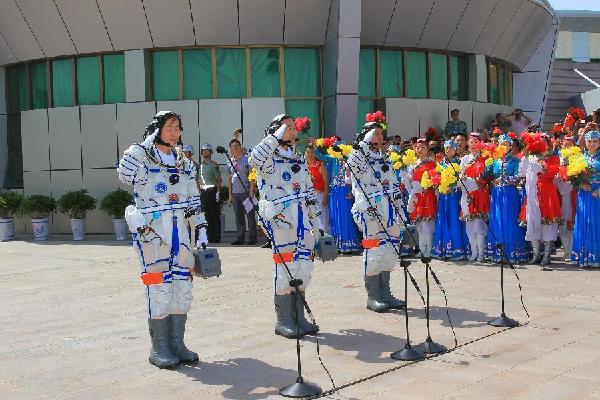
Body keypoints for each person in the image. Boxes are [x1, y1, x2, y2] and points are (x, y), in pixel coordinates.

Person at [117, 111, 207, 369]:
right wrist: (144, 144)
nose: (174, 132)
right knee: (159, 288)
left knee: (182, 288)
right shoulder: (141, 156)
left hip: (181, 231)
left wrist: (201, 232)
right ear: (157, 129)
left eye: (178, 127)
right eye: (169, 127)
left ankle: (177, 344)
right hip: (153, 231)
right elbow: (124, 176)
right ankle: (159, 348)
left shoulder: (184, 162)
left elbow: (193, 199)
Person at [248, 113, 322, 337]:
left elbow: (308, 189)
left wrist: (316, 221)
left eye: (293, 127)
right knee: (285, 267)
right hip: (282, 216)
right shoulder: (268, 157)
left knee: (303, 266)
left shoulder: (297, 157)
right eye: (286, 128)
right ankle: (284, 320)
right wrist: (275, 135)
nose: (292, 131)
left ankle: (299, 317)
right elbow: (254, 159)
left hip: (302, 216)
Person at [348, 121, 405, 313]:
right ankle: (373, 296)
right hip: (370, 211)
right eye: (375, 133)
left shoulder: (384, 158)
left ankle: (385, 293)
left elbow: (394, 185)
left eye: (381, 133)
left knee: (389, 250)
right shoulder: (358, 155)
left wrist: (401, 213)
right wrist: (364, 141)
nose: (379, 136)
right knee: (374, 251)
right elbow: (353, 164)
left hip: (389, 210)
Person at [484, 135, 529, 263]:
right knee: (497, 219)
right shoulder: (494, 161)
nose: (503, 147)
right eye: (500, 144)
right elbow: (485, 176)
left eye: (506, 144)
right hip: (497, 194)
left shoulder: (515, 161)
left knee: (510, 220)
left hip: (510, 194)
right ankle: (497, 252)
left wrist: (503, 179)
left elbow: (518, 177)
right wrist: (485, 163)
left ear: (510, 147)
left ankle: (513, 252)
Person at [519, 133, 562, 267]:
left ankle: (547, 255)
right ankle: (537, 254)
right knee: (532, 222)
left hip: (548, 193)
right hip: (533, 194)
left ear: (549, 145)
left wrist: (541, 164)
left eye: (544, 143)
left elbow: (550, 173)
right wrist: (526, 157)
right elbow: (521, 173)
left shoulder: (554, 158)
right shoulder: (530, 158)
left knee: (548, 225)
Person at [432, 140, 469, 260]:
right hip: (443, 196)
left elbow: (462, 179)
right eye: (446, 148)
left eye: (451, 148)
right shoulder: (441, 164)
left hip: (454, 196)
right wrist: (436, 184)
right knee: (443, 219)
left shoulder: (459, 163)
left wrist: (452, 187)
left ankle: (457, 249)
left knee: (454, 219)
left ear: (456, 149)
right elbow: (436, 178)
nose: (448, 150)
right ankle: (443, 249)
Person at [460, 133, 491, 262]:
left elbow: (488, 176)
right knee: (469, 227)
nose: (473, 145)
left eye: (475, 142)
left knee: (479, 226)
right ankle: (474, 252)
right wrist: (461, 179)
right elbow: (461, 174)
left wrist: (479, 181)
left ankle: (481, 254)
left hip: (480, 193)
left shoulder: (485, 158)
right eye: (471, 142)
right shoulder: (465, 159)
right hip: (467, 193)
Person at [571, 131, 600, 268]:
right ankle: (583, 256)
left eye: (595, 141)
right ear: (586, 143)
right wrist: (580, 184)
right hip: (584, 194)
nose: (592, 144)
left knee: (596, 222)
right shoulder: (580, 158)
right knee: (584, 222)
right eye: (590, 141)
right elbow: (573, 177)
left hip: (597, 194)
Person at [407, 138, 438, 257]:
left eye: (422, 147)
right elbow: (410, 179)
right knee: (419, 224)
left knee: (427, 224)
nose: (419, 150)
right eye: (417, 147)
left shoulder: (431, 163)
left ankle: (428, 250)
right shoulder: (413, 164)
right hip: (417, 196)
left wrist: (428, 185)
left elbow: (435, 179)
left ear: (427, 149)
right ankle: (421, 249)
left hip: (427, 195)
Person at [228, 138, 257, 245]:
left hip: (246, 192)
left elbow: (252, 175)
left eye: (237, 145)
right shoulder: (230, 161)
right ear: (230, 149)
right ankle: (240, 238)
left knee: (250, 216)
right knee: (238, 217)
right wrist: (230, 195)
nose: (235, 148)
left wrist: (251, 190)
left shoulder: (247, 159)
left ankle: (253, 238)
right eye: (233, 146)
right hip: (235, 193)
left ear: (240, 147)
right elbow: (229, 178)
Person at [557, 136, 576, 262]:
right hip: (561, 199)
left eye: (570, 145)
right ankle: (567, 250)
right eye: (565, 145)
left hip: (574, 198)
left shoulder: (578, 165)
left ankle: (572, 251)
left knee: (572, 224)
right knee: (562, 225)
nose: (567, 147)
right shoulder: (560, 167)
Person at [198, 143, 222, 243]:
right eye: (203, 151)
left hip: (212, 191)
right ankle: (209, 236)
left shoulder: (214, 164)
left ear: (211, 152)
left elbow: (218, 179)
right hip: (203, 191)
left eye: (207, 150)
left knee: (214, 214)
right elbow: (198, 179)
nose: (205, 152)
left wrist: (218, 192)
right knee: (206, 215)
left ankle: (216, 236)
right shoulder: (200, 165)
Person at [305, 145, 329, 233]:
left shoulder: (320, 166)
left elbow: (326, 183)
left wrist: (325, 197)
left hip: (319, 195)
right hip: (307, 196)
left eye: (312, 152)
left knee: (321, 218)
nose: (310, 154)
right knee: (309, 219)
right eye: (308, 152)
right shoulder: (303, 166)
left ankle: (323, 239)